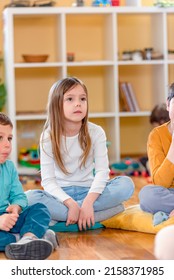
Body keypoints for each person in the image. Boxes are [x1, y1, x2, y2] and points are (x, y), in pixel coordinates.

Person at [26, 77, 134, 231]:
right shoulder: (48, 136)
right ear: (57, 105)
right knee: (30, 198)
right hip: (61, 198)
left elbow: (103, 172)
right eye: (70, 99)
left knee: (126, 184)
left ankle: (69, 218)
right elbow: (48, 181)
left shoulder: (96, 132)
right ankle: (99, 215)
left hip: (90, 193)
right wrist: (70, 203)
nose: (78, 103)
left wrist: (88, 203)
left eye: (82, 99)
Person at [0, 112, 58, 260]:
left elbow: (19, 195)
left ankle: (28, 238)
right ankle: (30, 237)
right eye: (0, 138)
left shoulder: (9, 167)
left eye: (9, 138)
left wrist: (16, 207)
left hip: (9, 219)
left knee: (40, 209)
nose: (7, 144)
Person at [139, 82, 174, 216]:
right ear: (168, 104)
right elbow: (160, 183)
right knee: (147, 195)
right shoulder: (156, 135)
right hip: (168, 193)